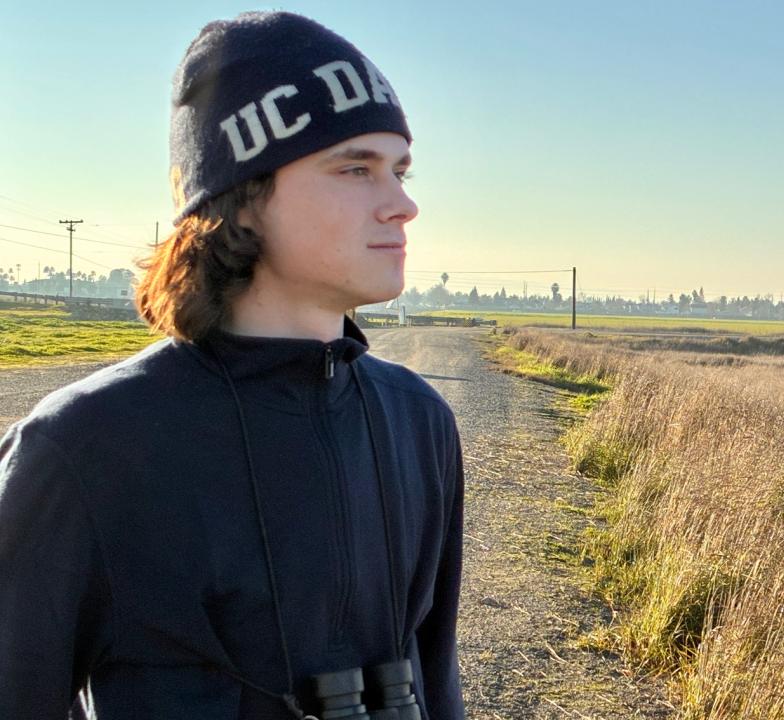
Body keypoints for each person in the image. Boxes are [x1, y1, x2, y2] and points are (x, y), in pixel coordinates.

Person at [0, 11, 465, 719]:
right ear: (241, 201)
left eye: (400, 169)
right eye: (355, 168)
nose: (403, 204)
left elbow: (436, 680)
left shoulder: (419, 421)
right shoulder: (83, 449)